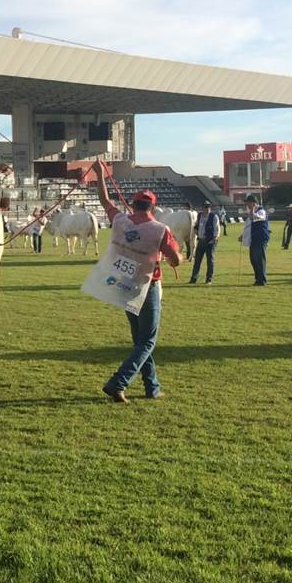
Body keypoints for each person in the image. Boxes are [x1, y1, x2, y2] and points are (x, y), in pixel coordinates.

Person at [91, 159, 181, 403]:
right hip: (147, 286)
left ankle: (152, 387)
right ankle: (118, 383)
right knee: (147, 341)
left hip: (123, 285)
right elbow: (175, 258)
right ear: (153, 207)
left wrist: (100, 174)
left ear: (133, 204)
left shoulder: (120, 221)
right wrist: (176, 259)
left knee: (140, 342)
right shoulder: (161, 229)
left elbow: (104, 201)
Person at [240, 194, 270, 285]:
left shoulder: (262, 211)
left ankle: (262, 280)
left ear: (253, 203)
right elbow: (248, 226)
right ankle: (258, 279)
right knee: (253, 259)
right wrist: (243, 235)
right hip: (254, 238)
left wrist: (252, 209)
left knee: (260, 259)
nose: (247, 205)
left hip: (261, 238)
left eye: (248, 203)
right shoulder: (251, 212)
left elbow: (254, 217)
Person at [190, 201, 220, 284]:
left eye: (208, 207)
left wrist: (214, 239)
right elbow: (196, 225)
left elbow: (217, 229)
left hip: (210, 241)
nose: (207, 209)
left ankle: (209, 279)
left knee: (210, 260)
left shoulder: (214, 217)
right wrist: (196, 231)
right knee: (197, 260)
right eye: (205, 207)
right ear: (202, 208)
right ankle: (194, 278)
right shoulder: (199, 216)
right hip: (201, 240)